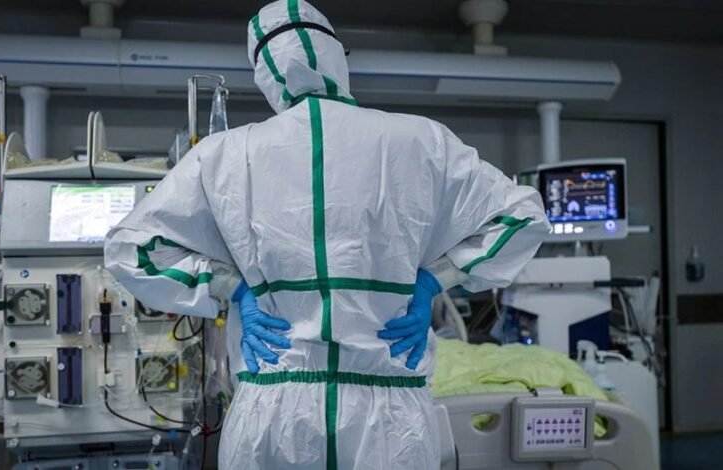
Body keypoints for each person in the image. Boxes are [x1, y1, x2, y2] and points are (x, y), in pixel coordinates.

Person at [104, 0, 551, 468]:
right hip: (390, 419)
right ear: (337, 56)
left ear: (264, 73)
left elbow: (132, 248)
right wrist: (435, 280)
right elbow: (522, 216)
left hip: (274, 409)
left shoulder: (225, 154)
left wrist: (232, 288)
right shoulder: (422, 141)